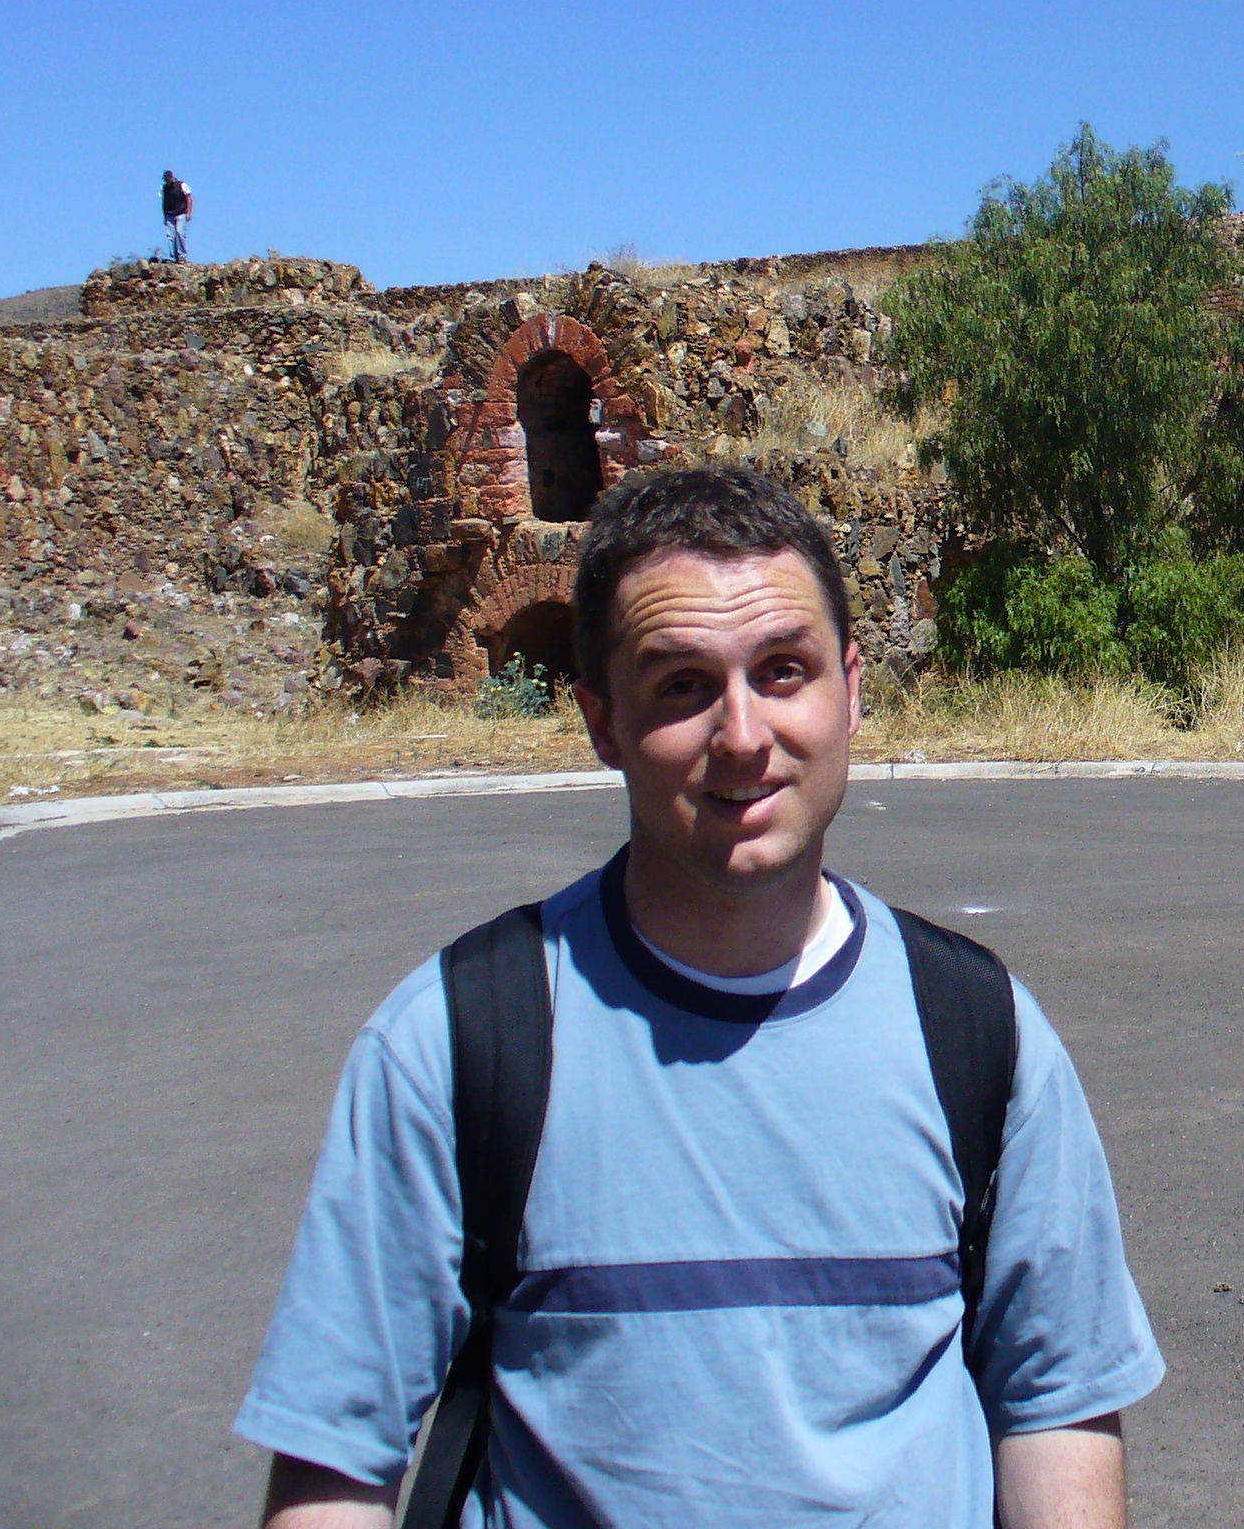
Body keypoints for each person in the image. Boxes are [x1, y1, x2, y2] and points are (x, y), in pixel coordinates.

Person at [236, 465, 1163, 1529]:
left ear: (851, 690)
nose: (741, 737)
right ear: (599, 720)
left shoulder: (979, 1035)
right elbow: (335, 1469)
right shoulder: (457, 1043)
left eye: (783, 671)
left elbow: (1055, 1409)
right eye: (681, 684)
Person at [161, 169, 193, 262]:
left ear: (172, 178)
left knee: (180, 233)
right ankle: (173, 257)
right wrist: (165, 217)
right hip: (169, 214)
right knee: (170, 236)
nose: (167, 181)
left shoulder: (181, 185)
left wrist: (188, 212)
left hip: (180, 213)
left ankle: (182, 255)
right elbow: (163, 202)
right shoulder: (164, 188)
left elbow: (189, 198)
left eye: (168, 179)